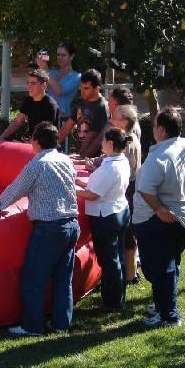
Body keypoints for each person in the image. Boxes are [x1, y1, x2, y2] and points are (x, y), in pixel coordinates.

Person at [0, 122, 80, 335]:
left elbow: (16, 190)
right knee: (63, 279)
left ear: (35, 141)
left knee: (33, 278)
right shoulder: (65, 160)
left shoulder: (37, 165)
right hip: (72, 224)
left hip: (49, 227)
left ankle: (32, 325)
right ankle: (61, 324)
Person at [133, 107, 185, 327]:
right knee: (170, 264)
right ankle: (163, 305)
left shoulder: (161, 155)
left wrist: (159, 210)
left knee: (159, 269)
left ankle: (168, 316)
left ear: (161, 129)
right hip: (184, 217)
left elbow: (145, 188)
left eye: (154, 126)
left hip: (162, 220)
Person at [76, 128, 131, 312]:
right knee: (117, 257)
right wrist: (79, 182)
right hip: (119, 211)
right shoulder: (120, 162)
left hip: (106, 216)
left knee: (109, 260)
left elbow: (92, 194)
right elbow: (95, 185)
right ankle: (118, 297)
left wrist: (72, 190)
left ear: (110, 144)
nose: (101, 143)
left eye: (103, 141)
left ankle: (112, 302)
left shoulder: (110, 167)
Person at [58, 68, 109, 157]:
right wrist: (51, 146)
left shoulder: (102, 107)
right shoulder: (80, 102)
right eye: (81, 87)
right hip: (82, 153)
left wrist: (80, 157)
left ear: (97, 89)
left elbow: (93, 137)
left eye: (86, 88)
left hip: (96, 158)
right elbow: (68, 125)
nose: (82, 91)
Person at [0, 69, 59, 140]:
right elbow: (18, 121)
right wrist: (1, 137)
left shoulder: (50, 104)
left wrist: (29, 143)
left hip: (46, 145)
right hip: (32, 141)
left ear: (44, 85)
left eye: (33, 83)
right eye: (28, 83)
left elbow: (45, 132)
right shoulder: (28, 100)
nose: (29, 87)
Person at [36, 42, 80, 120]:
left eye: (63, 55)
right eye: (58, 55)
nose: (60, 58)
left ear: (71, 56)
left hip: (64, 119)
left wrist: (45, 70)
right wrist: (41, 66)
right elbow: (40, 88)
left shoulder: (76, 76)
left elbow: (59, 91)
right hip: (48, 116)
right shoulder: (52, 73)